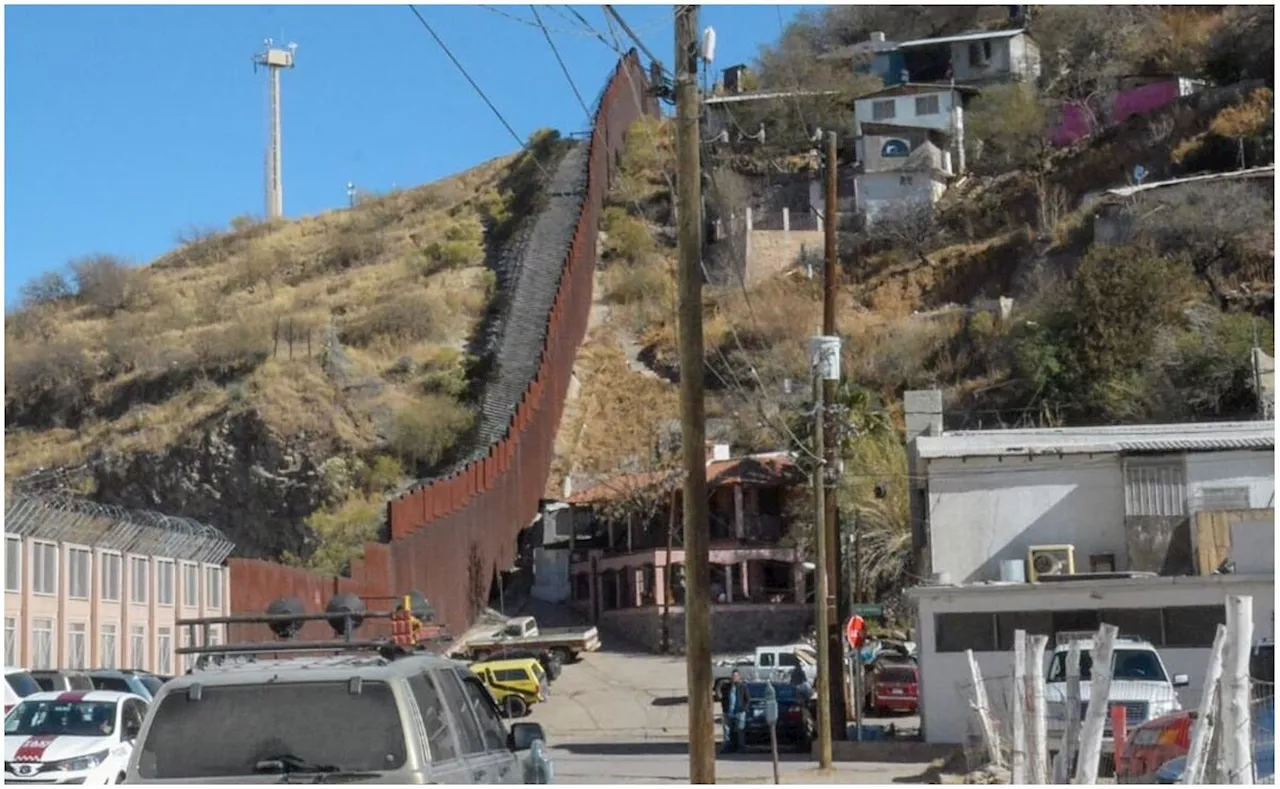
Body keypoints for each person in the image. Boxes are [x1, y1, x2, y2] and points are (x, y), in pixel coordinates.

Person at [720, 670, 748, 754]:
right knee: (727, 730)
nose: (734, 678)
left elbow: (747, 699)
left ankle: (741, 747)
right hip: (728, 712)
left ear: (739, 677)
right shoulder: (726, 687)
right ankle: (727, 747)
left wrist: (744, 709)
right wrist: (724, 708)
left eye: (736, 676)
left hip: (739, 712)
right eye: (733, 676)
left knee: (740, 730)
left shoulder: (742, 687)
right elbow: (723, 697)